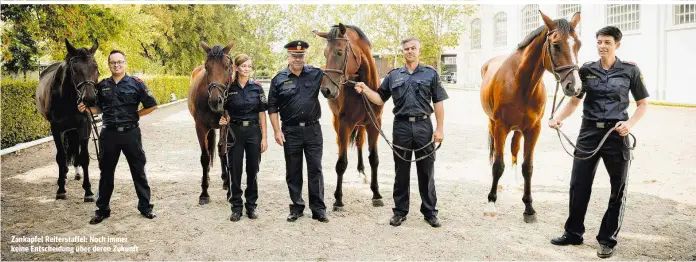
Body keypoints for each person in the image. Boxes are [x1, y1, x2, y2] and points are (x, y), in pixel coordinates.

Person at [548, 26, 649, 258]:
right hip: (589, 133)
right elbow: (574, 103)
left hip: (617, 134)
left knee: (618, 188)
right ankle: (573, 232)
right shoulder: (586, 70)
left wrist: (630, 124)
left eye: (607, 42)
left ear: (617, 45)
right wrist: (557, 118)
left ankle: (607, 239)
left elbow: (642, 104)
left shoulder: (630, 71)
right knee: (578, 185)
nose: (602, 46)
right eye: (599, 42)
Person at [353, 36, 448, 228]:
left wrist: (439, 128)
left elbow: (438, 102)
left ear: (418, 50)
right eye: (406, 49)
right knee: (401, 172)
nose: (410, 51)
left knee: (426, 171)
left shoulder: (430, 74)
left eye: (413, 48)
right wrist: (365, 89)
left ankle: (430, 212)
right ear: (402, 52)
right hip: (401, 127)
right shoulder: (394, 76)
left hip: (423, 126)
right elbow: (380, 99)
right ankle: (400, 211)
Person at [78, 50, 158, 224]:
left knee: (138, 171)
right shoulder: (102, 85)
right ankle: (102, 210)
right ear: (109, 64)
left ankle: (145, 208)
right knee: (106, 173)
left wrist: (136, 115)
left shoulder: (136, 83)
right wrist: (87, 110)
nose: (117, 65)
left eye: (120, 62)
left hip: (131, 134)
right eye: (113, 62)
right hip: (109, 135)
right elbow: (98, 108)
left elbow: (152, 105)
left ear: (125, 63)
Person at [268, 40, 329, 223]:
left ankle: (318, 209)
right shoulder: (278, 79)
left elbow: (337, 77)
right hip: (290, 131)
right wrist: (277, 131)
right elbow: (272, 108)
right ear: (288, 56)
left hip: (313, 130)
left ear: (305, 56)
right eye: (294, 56)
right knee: (293, 170)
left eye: (301, 56)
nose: (297, 59)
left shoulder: (317, 74)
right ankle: (296, 207)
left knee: (315, 170)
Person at [218, 54, 268, 221]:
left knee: (253, 169)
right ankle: (236, 207)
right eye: (243, 66)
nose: (247, 69)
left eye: (249, 66)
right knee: (235, 170)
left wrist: (265, 138)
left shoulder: (257, 88)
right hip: (235, 132)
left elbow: (262, 113)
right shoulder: (228, 88)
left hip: (254, 131)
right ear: (236, 67)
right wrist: (222, 118)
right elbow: (220, 109)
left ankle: (251, 206)